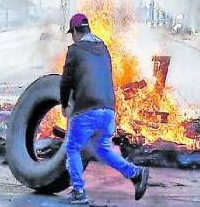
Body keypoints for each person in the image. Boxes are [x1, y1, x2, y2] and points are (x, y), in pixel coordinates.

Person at [60, 13, 150, 204]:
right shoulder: (104, 48)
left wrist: (64, 104)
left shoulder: (75, 50)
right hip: (108, 110)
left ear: (75, 31)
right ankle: (136, 172)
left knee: (72, 147)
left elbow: (66, 80)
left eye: (72, 33)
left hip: (87, 108)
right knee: (103, 149)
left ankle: (78, 191)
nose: (72, 37)